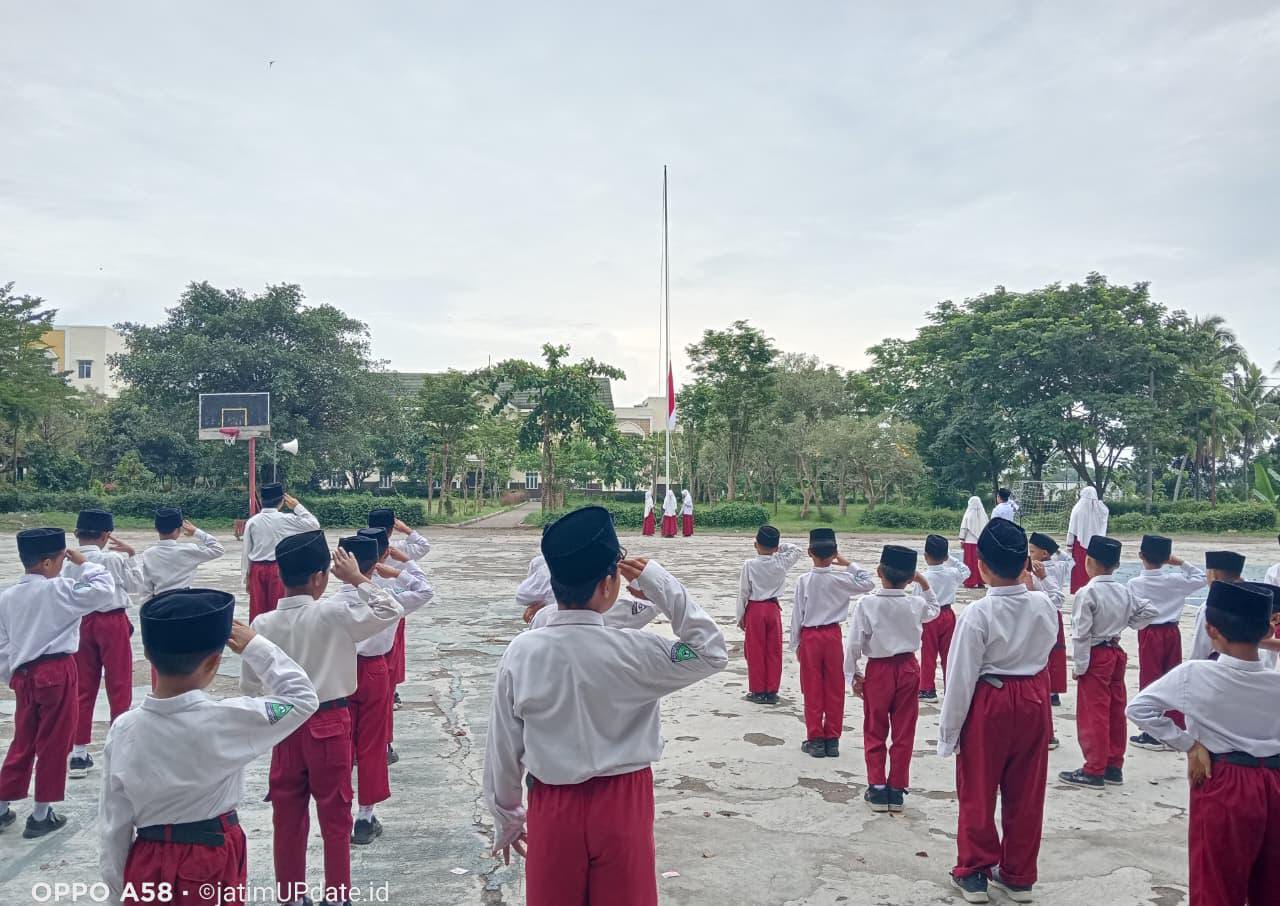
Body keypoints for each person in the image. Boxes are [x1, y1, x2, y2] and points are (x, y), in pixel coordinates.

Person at [481, 505, 727, 906]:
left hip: (552, 804)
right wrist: (660, 584)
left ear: (553, 582)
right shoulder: (641, 651)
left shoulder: (522, 653)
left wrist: (507, 817)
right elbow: (709, 651)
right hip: (623, 805)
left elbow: (503, 746)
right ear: (609, 584)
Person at [97, 590, 317, 906]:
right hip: (210, 858)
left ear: (147, 654)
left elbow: (114, 825)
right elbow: (302, 698)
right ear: (214, 662)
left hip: (147, 859)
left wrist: (117, 894)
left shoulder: (123, 729)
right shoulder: (230, 718)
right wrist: (256, 646)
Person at [243, 531, 403, 906]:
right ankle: (337, 895)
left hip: (285, 723)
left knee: (287, 816)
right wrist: (358, 579)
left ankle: (291, 897)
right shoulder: (332, 612)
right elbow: (390, 609)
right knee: (335, 815)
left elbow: (251, 684)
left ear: (281, 575)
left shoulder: (262, 624)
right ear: (320, 577)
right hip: (329, 722)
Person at [1126, 581, 1280, 906]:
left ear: (1211, 629)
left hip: (1225, 780)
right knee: (1272, 886)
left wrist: (1189, 745)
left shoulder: (1195, 674)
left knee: (1216, 885)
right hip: (1275, 779)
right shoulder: (1274, 680)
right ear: (1269, 629)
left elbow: (1139, 709)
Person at [938, 518, 1060, 904]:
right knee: (1027, 791)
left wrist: (949, 734)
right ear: (1025, 563)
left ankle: (974, 871)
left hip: (991, 700)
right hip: (1034, 699)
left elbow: (960, 679)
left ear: (981, 567)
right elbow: (1047, 648)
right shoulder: (1044, 605)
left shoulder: (978, 614)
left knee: (978, 787)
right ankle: (1018, 875)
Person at [0, 528, 115, 838]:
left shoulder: (6, 597)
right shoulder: (61, 589)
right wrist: (84, 563)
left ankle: (2, 805)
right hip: (57, 671)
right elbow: (104, 588)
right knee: (54, 742)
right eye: (61, 560)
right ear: (48, 563)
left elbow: (2, 647)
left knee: (23, 740)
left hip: (23, 675)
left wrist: (12, 675)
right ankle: (41, 814)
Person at [341, 529, 432, 844]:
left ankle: (340, 811)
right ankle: (365, 818)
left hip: (340, 672)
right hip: (374, 672)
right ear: (377, 561)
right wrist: (400, 569)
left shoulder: (332, 603)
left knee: (342, 746)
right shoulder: (389, 598)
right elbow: (425, 590)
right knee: (372, 745)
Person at [846, 545, 939, 812]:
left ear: (879, 572)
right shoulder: (916, 603)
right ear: (910, 578)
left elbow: (854, 643)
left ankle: (877, 787)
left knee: (875, 727)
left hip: (879, 669)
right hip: (908, 668)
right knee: (904, 730)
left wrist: (853, 674)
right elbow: (935, 608)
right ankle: (897, 789)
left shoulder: (867, 603)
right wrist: (923, 582)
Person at [1059, 536, 1158, 788]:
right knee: (1115, 708)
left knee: (1094, 712)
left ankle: (1094, 768)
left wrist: (1079, 666)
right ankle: (1114, 765)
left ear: (1089, 561)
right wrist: (1128, 623)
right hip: (1115, 649)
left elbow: (1081, 633)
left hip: (1096, 654)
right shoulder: (1124, 590)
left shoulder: (1088, 592)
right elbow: (1150, 611)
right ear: (1116, 565)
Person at [62, 509, 145, 779]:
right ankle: (118, 749)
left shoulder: (68, 562)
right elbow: (136, 586)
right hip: (112, 622)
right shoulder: (113, 558)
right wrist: (132, 555)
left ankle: (78, 753)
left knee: (83, 688)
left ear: (76, 533)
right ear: (107, 535)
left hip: (82, 623)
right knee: (119, 684)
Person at [791, 528, 876, 758]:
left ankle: (816, 740)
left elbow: (797, 614)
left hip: (810, 636)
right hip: (832, 637)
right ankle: (832, 739)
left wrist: (796, 643)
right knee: (835, 687)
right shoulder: (842, 579)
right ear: (834, 553)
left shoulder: (804, 580)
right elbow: (868, 582)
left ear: (809, 552)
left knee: (812, 688)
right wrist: (848, 564)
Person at [1126, 535, 1207, 750]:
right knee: (1173, 676)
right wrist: (1181, 563)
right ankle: (1175, 726)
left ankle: (1153, 732)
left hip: (1149, 633)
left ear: (1141, 555)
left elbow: (1131, 611)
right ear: (1166, 558)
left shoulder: (1134, 584)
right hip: (1172, 631)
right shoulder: (1176, 580)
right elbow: (1202, 578)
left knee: (1150, 678)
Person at [367, 508, 431, 715]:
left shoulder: (361, 548)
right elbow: (424, 546)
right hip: (395, 605)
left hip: (365, 603)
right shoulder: (398, 548)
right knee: (392, 653)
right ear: (391, 528)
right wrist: (407, 530)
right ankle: (391, 690)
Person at [737, 525, 806, 705]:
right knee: (774, 650)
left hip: (755, 609)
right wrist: (778, 548)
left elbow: (744, 592)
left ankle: (758, 691)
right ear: (775, 547)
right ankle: (772, 691)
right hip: (773, 609)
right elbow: (797, 550)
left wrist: (740, 615)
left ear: (755, 545)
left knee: (755, 651)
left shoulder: (749, 564)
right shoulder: (780, 562)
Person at [241, 484, 320, 621]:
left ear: (262, 500)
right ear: (282, 501)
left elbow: (246, 551)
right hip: (278, 569)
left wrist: (246, 577)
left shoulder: (252, 522)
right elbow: (314, 525)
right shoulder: (287, 519)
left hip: (257, 570)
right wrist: (297, 506)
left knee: (257, 613)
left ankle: (256, 634)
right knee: (278, 611)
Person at [917, 534, 970, 703]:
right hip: (947, 615)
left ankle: (927, 690)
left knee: (928, 654)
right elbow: (966, 571)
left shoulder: (923, 577)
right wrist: (951, 559)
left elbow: (917, 600)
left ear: (926, 556)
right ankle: (951, 689)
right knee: (949, 653)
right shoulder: (952, 573)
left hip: (930, 617)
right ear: (945, 555)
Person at [138, 506, 225, 598]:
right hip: (185, 600)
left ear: (156, 529)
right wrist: (197, 532)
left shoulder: (147, 554)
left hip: (161, 601)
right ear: (179, 529)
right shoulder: (189, 550)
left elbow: (146, 589)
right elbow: (218, 549)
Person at [1028, 532, 1072, 710]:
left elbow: (1056, 598)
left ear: (1044, 553)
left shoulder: (1040, 571)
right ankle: (1053, 692)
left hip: (1044, 614)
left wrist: (1042, 577)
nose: (1030, 555)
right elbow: (1069, 560)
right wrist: (1057, 550)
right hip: (1055, 616)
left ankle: (1047, 689)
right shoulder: (1060, 564)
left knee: (1043, 652)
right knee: (1055, 652)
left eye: (1032, 551)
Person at [1190, 551, 1247, 661]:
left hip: (1219, 660)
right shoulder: (1251, 599)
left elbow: (1202, 645)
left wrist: (1194, 663)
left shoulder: (1210, 605)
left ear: (1213, 575)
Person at [1066, 486, 1109, 594]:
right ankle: (1094, 590)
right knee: (1095, 567)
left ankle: (1079, 591)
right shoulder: (1099, 510)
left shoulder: (1077, 509)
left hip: (1080, 545)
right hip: (1096, 545)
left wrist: (1069, 544)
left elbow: (1071, 530)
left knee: (1080, 569)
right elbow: (1105, 513)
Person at [959, 497, 988, 589]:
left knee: (969, 562)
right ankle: (980, 581)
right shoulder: (984, 515)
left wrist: (962, 539)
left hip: (969, 542)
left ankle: (970, 581)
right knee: (979, 562)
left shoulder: (968, 514)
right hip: (980, 542)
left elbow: (964, 528)